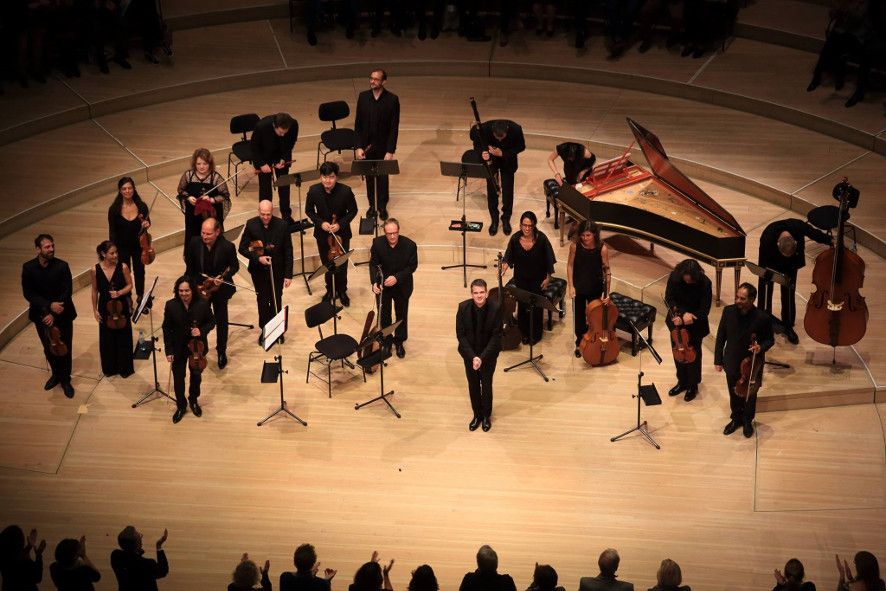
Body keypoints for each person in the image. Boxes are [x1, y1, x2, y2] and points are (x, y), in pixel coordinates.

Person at [757, 218, 831, 344]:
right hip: (771, 261)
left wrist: (830, 240)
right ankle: (763, 321)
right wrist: (766, 273)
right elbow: (763, 265)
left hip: (791, 263)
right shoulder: (768, 237)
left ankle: (788, 325)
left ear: (795, 243)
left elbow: (813, 233)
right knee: (765, 289)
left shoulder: (798, 226)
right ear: (778, 244)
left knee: (789, 293)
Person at [714, 282, 774, 438]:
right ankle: (736, 419)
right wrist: (718, 360)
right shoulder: (728, 312)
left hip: (752, 364)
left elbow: (770, 340)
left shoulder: (762, 317)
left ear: (752, 299)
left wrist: (760, 347)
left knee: (750, 395)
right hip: (732, 361)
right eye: (737, 297)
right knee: (734, 393)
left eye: (742, 298)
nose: (737, 301)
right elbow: (721, 336)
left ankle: (747, 421)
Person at [22, 234, 77, 398]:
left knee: (65, 347)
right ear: (38, 249)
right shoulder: (28, 268)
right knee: (48, 347)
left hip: (62, 313)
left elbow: (67, 291)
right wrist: (47, 307)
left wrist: (53, 311)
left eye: (52, 246)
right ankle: (56, 375)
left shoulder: (62, 266)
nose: (51, 249)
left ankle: (65, 379)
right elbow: (28, 293)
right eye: (47, 247)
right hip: (41, 315)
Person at [185, 217, 240, 369]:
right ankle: (203, 348)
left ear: (217, 232)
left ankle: (221, 351)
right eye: (203, 233)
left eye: (208, 234)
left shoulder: (228, 246)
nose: (204, 236)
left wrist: (223, 278)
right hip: (200, 289)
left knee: (222, 321)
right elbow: (190, 268)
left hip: (220, 290)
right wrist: (194, 286)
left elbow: (234, 267)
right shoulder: (195, 243)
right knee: (200, 321)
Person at [162, 276, 215, 424]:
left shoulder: (203, 304)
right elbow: (166, 328)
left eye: (186, 290)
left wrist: (201, 330)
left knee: (196, 377)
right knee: (178, 378)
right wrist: (168, 350)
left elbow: (212, 321)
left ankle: (193, 400)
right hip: (178, 348)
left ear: (192, 290)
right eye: (180, 291)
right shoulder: (171, 305)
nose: (184, 294)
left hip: (197, 348)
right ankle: (181, 405)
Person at [305, 161, 358, 307]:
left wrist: (340, 224)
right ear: (321, 176)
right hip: (323, 235)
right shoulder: (313, 191)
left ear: (336, 177)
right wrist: (320, 223)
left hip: (342, 234)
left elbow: (353, 211)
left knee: (342, 263)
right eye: (324, 177)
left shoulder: (346, 191)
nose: (327, 181)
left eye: (331, 177)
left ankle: (342, 290)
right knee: (327, 264)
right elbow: (309, 211)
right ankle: (330, 290)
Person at [238, 200, 294, 339]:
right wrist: (258, 259)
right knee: (262, 301)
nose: (265, 217)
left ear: (272, 212)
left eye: (268, 214)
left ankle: (277, 330)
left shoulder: (282, 225)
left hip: (277, 270)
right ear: (258, 211)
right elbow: (242, 248)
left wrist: (288, 275)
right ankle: (265, 330)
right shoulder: (251, 224)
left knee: (276, 299)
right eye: (262, 214)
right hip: (258, 271)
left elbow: (288, 250)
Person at [500, 211, 556, 345]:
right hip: (521, 279)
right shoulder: (514, 239)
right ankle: (523, 333)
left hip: (538, 279)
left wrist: (548, 278)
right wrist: (502, 269)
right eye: (524, 225)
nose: (527, 228)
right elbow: (508, 258)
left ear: (534, 226)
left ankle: (536, 335)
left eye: (530, 226)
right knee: (523, 306)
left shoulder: (542, 239)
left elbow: (549, 261)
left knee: (536, 307)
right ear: (520, 225)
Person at [456, 279, 502, 432]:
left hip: (488, 355)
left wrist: (481, 358)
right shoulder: (462, 308)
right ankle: (477, 415)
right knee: (473, 385)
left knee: (486, 385)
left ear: (486, 293)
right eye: (475, 293)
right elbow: (461, 336)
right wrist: (473, 357)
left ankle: (486, 416)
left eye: (482, 292)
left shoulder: (496, 308)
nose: (479, 296)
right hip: (470, 354)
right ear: (471, 294)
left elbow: (496, 337)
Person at [355, 68, 400, 220]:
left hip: (383, 147)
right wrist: (358, 146)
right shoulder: (363, 97)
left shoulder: (392, 100)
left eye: (376, 79)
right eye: (371, 78)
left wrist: (390, 150)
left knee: (382, 177)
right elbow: (358, 125)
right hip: (367, 146)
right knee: (369, 177)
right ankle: (372, 205)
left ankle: (382, 206)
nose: (372, 81)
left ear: (384, 81)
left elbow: (394, 127)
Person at [664, 259, 712, 402]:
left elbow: (704, 310)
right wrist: (681, 314)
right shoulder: (674, 277)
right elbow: (669, 299)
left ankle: (693, 385)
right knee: (677, 351)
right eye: (685, 279)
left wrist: (688, 317)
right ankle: (682, 382)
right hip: (676, 321)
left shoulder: (705, 283)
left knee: (693, 356)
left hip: (695, 325)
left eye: (690, 281)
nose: (687, 282)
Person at [370, 218, 418, 357]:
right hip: (383, 285)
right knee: (384, 314)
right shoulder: (377, 243)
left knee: (401, 314)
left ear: (398, 231)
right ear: (384, 232)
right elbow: (373, 264)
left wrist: (397, 277)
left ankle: (399, 341)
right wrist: (374, 282)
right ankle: (386, 341)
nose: (392, 236)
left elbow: (412, 266)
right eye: (389, 233)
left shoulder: (410, 245)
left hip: (402, 286)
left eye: (395, 233)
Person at [469, 118, 525, 236]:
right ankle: (494, 219)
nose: (499, 139)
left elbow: (521, 147)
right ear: (492, 131)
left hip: (508, 160)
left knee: (508, 191)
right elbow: (474, 140)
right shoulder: (485, 128)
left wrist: (503, 153)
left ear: (507, 131)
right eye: (497, 137)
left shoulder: (515, 129)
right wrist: (482, 153)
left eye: (502, 137)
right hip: (491, 161)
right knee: (492, 190)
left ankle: (506, 219)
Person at [90, 240, 134, 378]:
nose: (115, 255)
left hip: (121, 307)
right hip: (105, 307)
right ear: (103, 254)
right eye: (112, 253)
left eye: (116, 252)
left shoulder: (123, 267)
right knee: (107, 338)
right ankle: (110, 368)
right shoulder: (95, 270)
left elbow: (130, 285)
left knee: (123, 337)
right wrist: (94, 310)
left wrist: (119, 293)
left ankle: (124, 368)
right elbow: (94, 290)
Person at [176, 147, 231, 257]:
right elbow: (180, 190)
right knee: (193, 237)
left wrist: (211, 199)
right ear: (194, 164)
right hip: (193, 215)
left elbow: (225, 196)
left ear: (210, 164)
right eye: (198, 164)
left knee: (211, 239)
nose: (201, 167)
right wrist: (188, 197)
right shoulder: (188, 175)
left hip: (210, 215)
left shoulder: (215, 178)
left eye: (205, 164)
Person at [567, 220, 611, 357]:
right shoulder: (575, 246)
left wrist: (607, 293)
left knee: (593, 319)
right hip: (579, 287)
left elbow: (607, 272)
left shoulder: (602, 248)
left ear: (594, 235)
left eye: (588, 235)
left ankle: (593, 343)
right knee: (579, 320)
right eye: (583, 235)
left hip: (595, 287)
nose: (585, 238)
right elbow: (570, 266)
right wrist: (570, 286)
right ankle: (579, 343)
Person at [108, 177, 151, 303]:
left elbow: (148, 223)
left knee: (139, 271)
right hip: (121, 247)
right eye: (124, 189)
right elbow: (112, 232)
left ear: (134, 189)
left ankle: (140, 295)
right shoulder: (114, 209)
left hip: (139, 245)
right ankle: (127, 297)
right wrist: (113, 251)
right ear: (120, 191)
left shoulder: (142, 206)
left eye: (130, 188)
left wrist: (146, 225)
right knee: (124, 273)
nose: (127, 191)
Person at [251, 112, 298, 224]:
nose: (282, 135)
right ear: (274, 126)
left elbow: (291, 142)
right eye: (281, 132)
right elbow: (254, 147)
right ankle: (265, 217)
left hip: (281, 155)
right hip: (263, 156)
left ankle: (286, 215)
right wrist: (262, 164)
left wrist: (284, 157)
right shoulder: (261, 126)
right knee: (265, 188)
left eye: (285, 132)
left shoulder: (293, 124)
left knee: (284, 186)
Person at [110, 526, 169, 591]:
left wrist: (137, 551)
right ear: (137, 543)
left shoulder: (116, 556)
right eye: (139, 536)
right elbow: (163, 571)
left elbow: (131, 557)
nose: (141, 537)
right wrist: (158, 545)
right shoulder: (147, 564)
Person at [0, 525, 45, 591]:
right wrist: (38, 555)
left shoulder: (4, 558)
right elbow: (37, 576)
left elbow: (16, 555)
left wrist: (28, 547)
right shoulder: (23, 562)